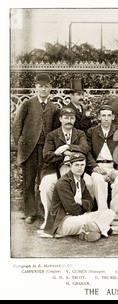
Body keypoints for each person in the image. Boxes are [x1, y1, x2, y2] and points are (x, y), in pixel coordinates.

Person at [39, 153, 118, 241]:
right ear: (70, 166)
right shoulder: (63, 183)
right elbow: (71, 209)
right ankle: (112, 230)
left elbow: (90, 203)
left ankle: (88, 230)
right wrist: (85, 210)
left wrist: (80, 202)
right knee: (85, 221)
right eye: (76, 165)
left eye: (82, 165)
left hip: (80, 216)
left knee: (110, 213)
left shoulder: (81, 181)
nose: (80, 168)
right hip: (62, 221)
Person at [12, 73, 60, 224]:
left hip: (45, 150)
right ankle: (30, 212)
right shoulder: (28, 104)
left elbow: (55, 130)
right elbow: (17, 125)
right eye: (40, 87)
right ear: (36, 88)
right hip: (29, 149)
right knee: (28, 181)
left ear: (50, 88)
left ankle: (41, 210)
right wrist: (20, 145)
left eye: (46, 87)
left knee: (43, 180)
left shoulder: (54, 108)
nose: (43, 89)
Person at [39, 107, 94, 229]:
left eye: (72, 118)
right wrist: (64, 154)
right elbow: (47, 156)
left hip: (77, 169)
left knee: (89, 182)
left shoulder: (80, 134)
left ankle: (85, 214)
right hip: (56, 169)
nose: (69, 120)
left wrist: (67, 146)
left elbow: (85, 149)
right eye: (66, 118)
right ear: (60, 119)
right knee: (46, 185)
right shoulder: (52, 135)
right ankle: (49, 218)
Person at [85, 105, 118, 225]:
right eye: (103, 115)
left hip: (114, 167)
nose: (106, 118)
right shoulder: (92, 131)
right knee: (98, 181)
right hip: (98, 167)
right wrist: (94, 167)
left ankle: (114, 216)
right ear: (99, 117)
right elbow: (87, 152)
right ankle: (103, 215)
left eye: (109, 115)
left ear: (113, 117)